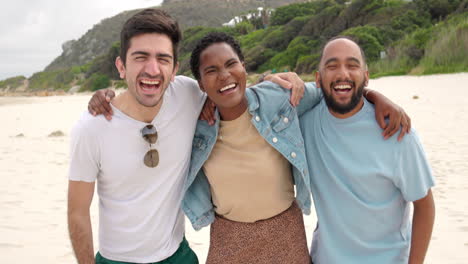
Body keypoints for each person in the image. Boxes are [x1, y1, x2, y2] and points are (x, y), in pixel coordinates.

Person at [181, 32, 411, 263]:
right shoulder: (193, 123)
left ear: (243, 67)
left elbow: (333, 89)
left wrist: (375, 96)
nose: (224, 75)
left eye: (231, 64)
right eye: (211, 71)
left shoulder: (277, 98)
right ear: (200, 83)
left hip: (286, 232)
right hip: (228, 238)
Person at [67, 9, 203, 264]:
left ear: (174, 69)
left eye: (163, 59)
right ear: (121, 66)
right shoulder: (91, 128)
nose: (152, 69)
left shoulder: (189, 94)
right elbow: (77, 212)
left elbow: (234, 93)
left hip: (178, 255)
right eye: (141, 57)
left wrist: (272, 81)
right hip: (116, 259)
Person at [299, 36, 435, 264]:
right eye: (332, 66)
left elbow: (424, 205)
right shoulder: (304, 126)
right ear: (318, 79)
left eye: (352, 65)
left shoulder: (397, 132)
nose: (343, 73)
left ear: (366, 76)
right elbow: (259, 106)